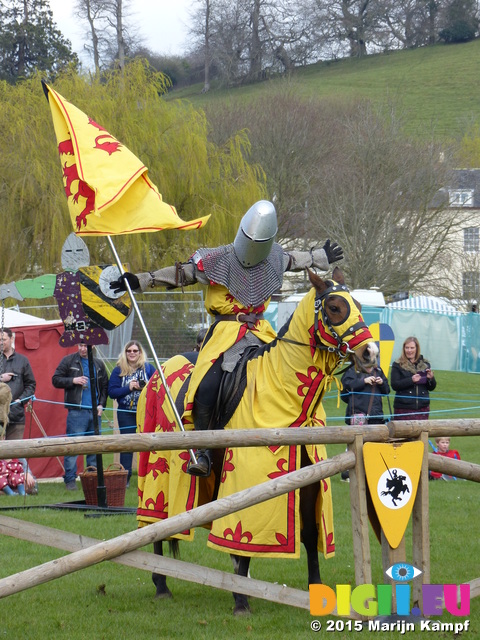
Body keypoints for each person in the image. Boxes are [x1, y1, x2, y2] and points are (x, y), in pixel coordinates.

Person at [111, 200, 344, 477]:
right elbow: (182, 274)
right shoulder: (217, 259)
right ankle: (204, 451)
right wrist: (142, 280)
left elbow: (295, 258)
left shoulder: (273, 257)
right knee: (208, 383)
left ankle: (301, 445)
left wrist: (320, 256)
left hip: (260, 332)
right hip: (225, 334)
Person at [52, 342, 109, 490]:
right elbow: (56, 379)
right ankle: (70, 480)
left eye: (86, 346)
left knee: (93, 448)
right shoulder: (69, 361)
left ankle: (92, 479)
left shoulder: (98, 364)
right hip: (77, 411)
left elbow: (104, 387)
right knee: (73, 447)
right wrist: (73, 380)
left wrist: (102, 404)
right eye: (81, 345)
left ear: (93, 346)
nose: (83, 349)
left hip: (95, 413)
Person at [108, 341, 156, 485]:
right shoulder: (118, 370)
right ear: (125, 352)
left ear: (140, 353)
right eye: (129, 350)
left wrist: (145, 387)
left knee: (149, 443)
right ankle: (125, 478)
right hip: (126, 412)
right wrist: (129, 388)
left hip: (145, 412)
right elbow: (112, 392)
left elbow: (157, 386)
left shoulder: (148, 368)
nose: (132, 353)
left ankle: (150, 475)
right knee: (127, 445)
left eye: (135, 351)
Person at [0, 328, 36, 440]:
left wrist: (20, 400)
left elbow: (31, 384)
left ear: (11, 339)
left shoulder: (22, 360)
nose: (1, 342)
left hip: (16, 415)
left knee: (16, 452)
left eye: (3, 339)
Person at [390, 336, 436, 421]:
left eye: (412, 348)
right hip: (404, 408)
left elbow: (431, 387)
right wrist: (411, 380)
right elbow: (395, 385)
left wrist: (431, 378)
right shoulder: (397, 364)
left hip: (422, 408)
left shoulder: (425, 364)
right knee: (403, 433)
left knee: (422, 433)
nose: (409, 350)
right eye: (407, 348)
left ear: (417, 349)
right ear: (403, 349)